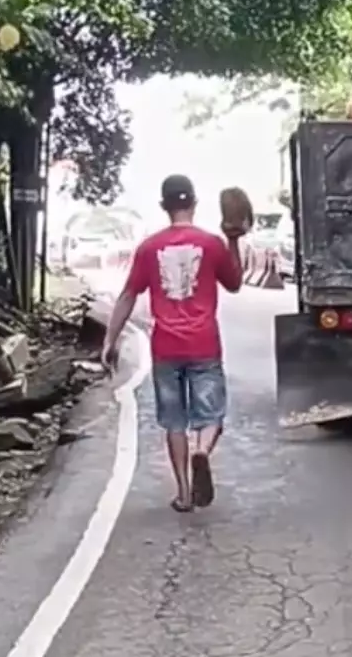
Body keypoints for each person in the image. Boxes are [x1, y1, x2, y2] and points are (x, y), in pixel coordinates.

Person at [101, 175, 245, 512]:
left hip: (165, 347)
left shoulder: (149, 248)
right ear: (194, 203)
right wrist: (233, 240)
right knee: (211, 416)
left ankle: (183, 493)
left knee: (174, 422)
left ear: (164, 207)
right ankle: (202, 451)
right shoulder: (211, 244)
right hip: (204, 345)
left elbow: (127, 296)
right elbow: (235, 283)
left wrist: (110, 340)